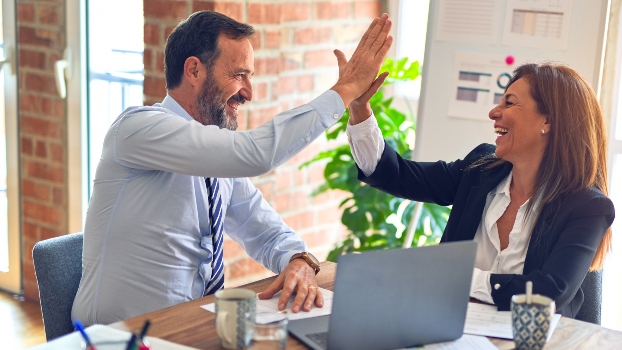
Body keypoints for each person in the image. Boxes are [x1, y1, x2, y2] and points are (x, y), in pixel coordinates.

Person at [72, 10, 393, 325]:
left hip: (190, 327)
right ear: (194, 71)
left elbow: (265, 230)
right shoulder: (138, 129)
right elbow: (256, 154)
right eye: (239, 74)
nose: (248, 93)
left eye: (249, 76)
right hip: (118, 338)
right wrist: (346, 90)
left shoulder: (215, 159)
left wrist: (299, 259)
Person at [346, 63, 614, 317]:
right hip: (451, 330)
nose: (494, 112)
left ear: (548, 121)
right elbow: (397, 175)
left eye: (509, 102)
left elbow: (547, 294)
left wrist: (456, 277)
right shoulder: (480, 170)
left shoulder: (588, 207)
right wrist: (360, 108)